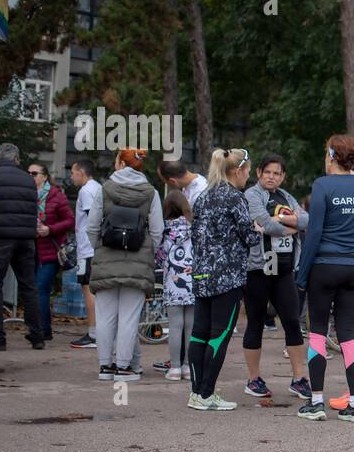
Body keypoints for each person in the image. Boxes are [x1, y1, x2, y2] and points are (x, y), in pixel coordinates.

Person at [294, 135, 354, 423]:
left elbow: (314, 232)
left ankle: (316, 402)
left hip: (324, 266)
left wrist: (302, 275)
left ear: (331, 155)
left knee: (318, 332)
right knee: (349, 335)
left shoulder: (322, 185)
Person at [187, 148, 259, 410]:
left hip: (202, 273)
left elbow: (195, 234)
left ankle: (196, 392)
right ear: (238, 171)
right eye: (248, 172)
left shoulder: (203, 196)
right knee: (219, 335)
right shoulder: (235, 197)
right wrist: (258, 230)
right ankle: (206, 394)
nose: (248, 177)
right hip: (227, 276)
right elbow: (248, 236)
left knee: (199, 334)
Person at [86, 147, 164, 380]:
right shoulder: (151, 193)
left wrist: (99, 248)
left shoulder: (104, 189)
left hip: (106, 258)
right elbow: (158, 231)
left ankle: (105, 366)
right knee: (129, 317)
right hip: (138, 262)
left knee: (105, 315)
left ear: (120, 162)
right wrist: (147, 252)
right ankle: (123, 367)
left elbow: (91, 226)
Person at [242, 153, 310, 399]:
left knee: (292, 322)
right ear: (259, 173)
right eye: (268, 172)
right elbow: (262, 222)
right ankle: (253, 379)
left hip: (284, 271)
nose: (272, 177)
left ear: (283, 176)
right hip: (258, 270)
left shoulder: (287, 196)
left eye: (277, 173)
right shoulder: (251, 194)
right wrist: (291, 227)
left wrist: (280, 219)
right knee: (256, 323)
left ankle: (299, 378)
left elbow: (306, 220)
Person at [0, 143, 45, 351]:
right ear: (17, 159)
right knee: (28, 286)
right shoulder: (29, 180)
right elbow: (34, 209)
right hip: (26, 239)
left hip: (0, 237)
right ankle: (37, 335)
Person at [29, 163, 74, 341]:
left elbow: (69, 221)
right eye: (28, 173)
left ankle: (43, 330)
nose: (30, 176)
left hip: (51, 250)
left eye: (34, 173)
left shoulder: (56, 195)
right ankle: (36, 328)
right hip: (30, 248)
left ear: (44, 176)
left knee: (41, 287)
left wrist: (50, 229)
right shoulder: (26, 195)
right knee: (33, 288)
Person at [156, 192, 195, 380]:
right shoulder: (195, 228)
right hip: (192, 282)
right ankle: (188, 367)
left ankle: (175, 368)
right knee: (190, 326)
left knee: (175, 326)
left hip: (172, 282)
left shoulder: (163, 230)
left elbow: (160, 257)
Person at [68, 160, 103, 349]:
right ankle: (98, 331)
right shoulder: (97, 187)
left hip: (88, 249)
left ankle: (94, 333)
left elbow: (92, 219)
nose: (71, 176)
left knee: (88, 289)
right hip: (92, 248)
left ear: (81, 172)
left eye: (73, 173)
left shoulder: (86, 191)